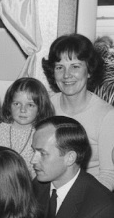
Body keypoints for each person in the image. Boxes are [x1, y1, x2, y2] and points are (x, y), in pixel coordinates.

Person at [42, 33, 114, 190]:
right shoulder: (46, 106)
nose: (66, 75)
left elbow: (108, 175)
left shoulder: (107, 116)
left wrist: (73, 198)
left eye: (75, 66)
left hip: (90, 193)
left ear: (89, 71)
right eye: (59, 67)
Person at [0, 77, 54, 175]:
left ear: (40, 108)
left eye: (30, 105)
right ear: (9, 105)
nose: (23, 110)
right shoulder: (3, 128)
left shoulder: (40, 134)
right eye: (17, 104)